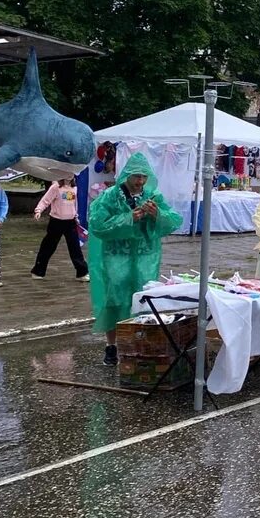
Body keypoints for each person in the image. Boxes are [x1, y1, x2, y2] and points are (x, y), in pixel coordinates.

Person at [89, 153, 183, 366]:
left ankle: (137, 344)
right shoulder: (111, 196)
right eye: (136, 177)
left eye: (143, 177)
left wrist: (157, 214)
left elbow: (173, 221)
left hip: (145, 256)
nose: (140, 181)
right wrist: (128, 218)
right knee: (115, 298)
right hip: (116, 256)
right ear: (127, 176)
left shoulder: (152, 195)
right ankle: (111, 346)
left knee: (142, 298)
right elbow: (97, 224)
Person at [30, 178, 89, 281]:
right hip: (56, 222)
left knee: (75, 247)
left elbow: (74, 204)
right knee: (48, 246)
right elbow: (45, 200)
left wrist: (76, 216)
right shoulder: (56, 187)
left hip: (70, 222)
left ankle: (82, 273)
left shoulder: (74, 188)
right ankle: (38, 271)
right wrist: (38, 211)